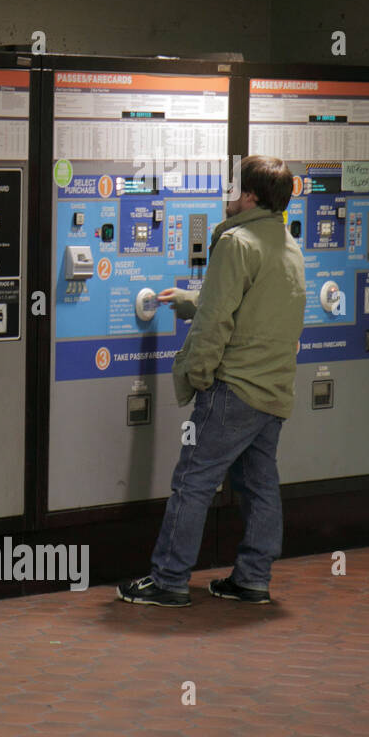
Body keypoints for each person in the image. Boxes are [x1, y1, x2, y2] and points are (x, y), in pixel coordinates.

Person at [118, 155, 306, 607]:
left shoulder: (235, 243)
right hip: (273, 390)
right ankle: (253, 579)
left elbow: (216, 324)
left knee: (193, 481)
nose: (226, 195)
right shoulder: (286, 243)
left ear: (250, 196)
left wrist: (197, 377)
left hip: (234, 389)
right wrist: (187, 299)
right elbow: (246, 302)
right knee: (259, 486)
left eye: (232, 188)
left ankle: (168, 579)